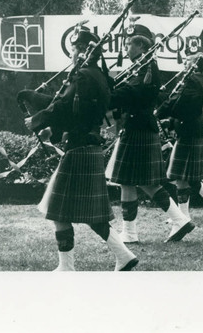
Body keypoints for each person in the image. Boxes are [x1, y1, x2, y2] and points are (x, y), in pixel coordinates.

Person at [21, 27, 138, 271]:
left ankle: (69, 267)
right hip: (86, 145)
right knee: (84, 213)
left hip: (80, 148)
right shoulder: (99, 77)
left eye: (74, 49)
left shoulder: (84, 76)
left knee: (57, 210)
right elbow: (79, 113)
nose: (72, 54)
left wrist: (39, 120)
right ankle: (123, 255)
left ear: (84, 50)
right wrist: (52, 131)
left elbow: (63, 106)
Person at [106, 24, 194, 243]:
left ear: (141, 45)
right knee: (135, 182)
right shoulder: (140, 66)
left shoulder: (146, 68)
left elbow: (136, 93)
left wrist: (108, 93)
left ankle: (173, 222)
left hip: (139, 128)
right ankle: (138, 230)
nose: (126, 49)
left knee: (137, 181)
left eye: (129, 44)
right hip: (137, 127)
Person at [155, 37, 203, 220]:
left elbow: (180, 103)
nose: (184, 62)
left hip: (189, 132)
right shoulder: (200, 79)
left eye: (189, 59)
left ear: (196, 64)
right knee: (183, 175)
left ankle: (183, 215)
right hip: (192, 130)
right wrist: (172, 120)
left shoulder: (192, 79)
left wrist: (162, 113)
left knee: (180, 176)